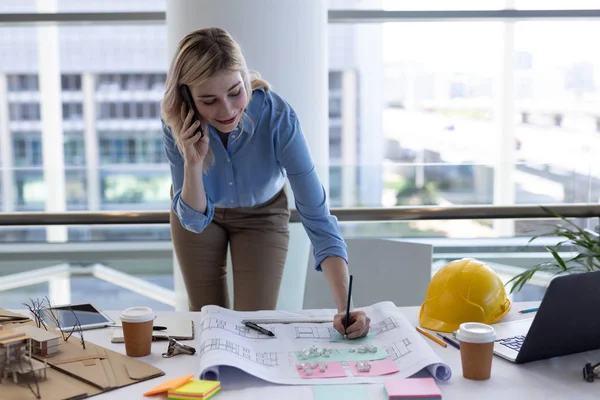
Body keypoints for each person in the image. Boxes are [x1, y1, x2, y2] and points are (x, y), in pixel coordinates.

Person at [161, 27, 370, 339]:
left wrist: (345, 306)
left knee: (252, 326)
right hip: (200, 212)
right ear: (187, 96)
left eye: (235, 92)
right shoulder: (176, 122)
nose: (228, 110)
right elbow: (191, 221)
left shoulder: (277, 117)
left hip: (262, 215)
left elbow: (316, 215)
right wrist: (193, 163)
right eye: (209, 100)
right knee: (208, 323)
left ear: (245, 78)